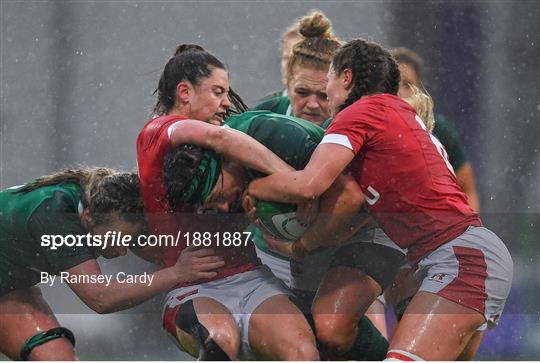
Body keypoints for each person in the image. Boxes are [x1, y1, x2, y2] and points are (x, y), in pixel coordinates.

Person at [247, 38, 513, 360]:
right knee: (335, 327)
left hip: (460, 261)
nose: (325, 93)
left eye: (328, 81)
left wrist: (253, 190)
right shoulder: (397, 113)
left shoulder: (360, 112)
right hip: (444, 258)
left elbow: (309, 185)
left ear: (345, 77)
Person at [164, 109, 395, 360]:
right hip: (325, 230)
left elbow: (350, 199)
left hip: (378, 218)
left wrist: (300, 243)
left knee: (330, 329)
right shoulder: (227, 174)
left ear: (225, 160)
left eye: (218, 197)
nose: (223, 207)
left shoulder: (273, 135)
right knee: (315, 333)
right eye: (211, 207)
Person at [136, 44, 319, 360]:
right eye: (218, 92)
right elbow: (218, 138)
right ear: (184, 92)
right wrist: (298, 182)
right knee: (220, 341)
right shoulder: (157, 132)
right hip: (194, 286)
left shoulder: (232, 144)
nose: (225, 102)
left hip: (250, 276)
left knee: (302, 351)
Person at [0, 168, 224, 360]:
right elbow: (100, 298)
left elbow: (166, 252)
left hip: (10, 288)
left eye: (130, 241)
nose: (122, 250)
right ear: (87, 217)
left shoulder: (111, 206)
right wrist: (177, 273)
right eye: (120, 241)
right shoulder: (54, 214)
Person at [391, 47, 480, 212]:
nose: (400, 92)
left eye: (407, 85)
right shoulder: (371, 129)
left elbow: (468, 189)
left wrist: (470, 230)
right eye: (394, 84)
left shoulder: (440, 131)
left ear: (420, 89)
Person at [254, 10, 341, 127]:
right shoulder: (260, 118)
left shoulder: (359, 125)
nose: (312, 104)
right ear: (288, 85)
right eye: (302, 93)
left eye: (324, 96)